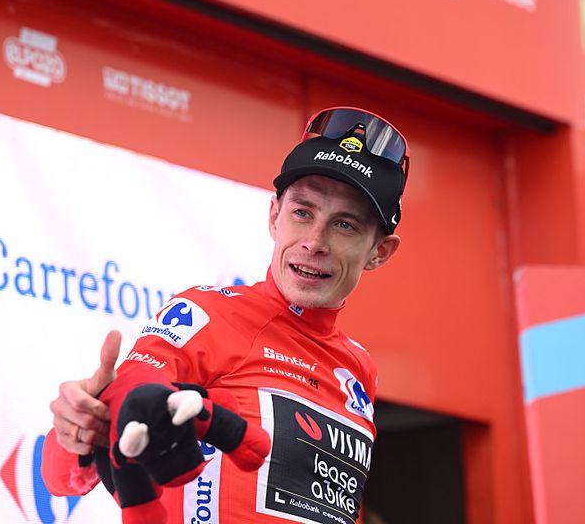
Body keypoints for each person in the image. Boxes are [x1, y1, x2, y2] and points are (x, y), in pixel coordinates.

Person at [41, 106, 410, 523]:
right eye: (302, 212)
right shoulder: (210, 314)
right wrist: (78, 430)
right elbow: (73, 464)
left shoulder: (360, 368)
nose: (314, 241)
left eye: (344, 225)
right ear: (275, 216)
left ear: (379, 251)